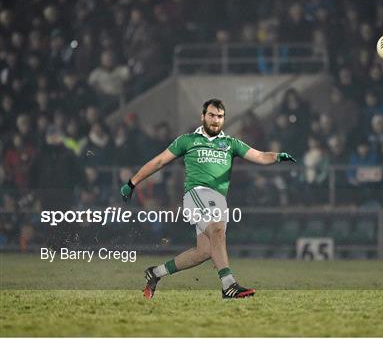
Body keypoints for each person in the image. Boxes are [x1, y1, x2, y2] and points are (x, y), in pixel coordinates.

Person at [120, 99, 296, 299]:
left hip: (218, 199)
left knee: (203, 251)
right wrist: (132, 182)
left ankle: (155, 273)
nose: (215, 120)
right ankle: (228, 285)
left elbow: (261, 156)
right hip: (198, 194)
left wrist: (278, 156)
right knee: (217, 230)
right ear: (202, 116)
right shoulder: (187, 140)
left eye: (220, 116)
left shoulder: (230, 143)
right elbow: (159, 161)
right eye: (211, 115)